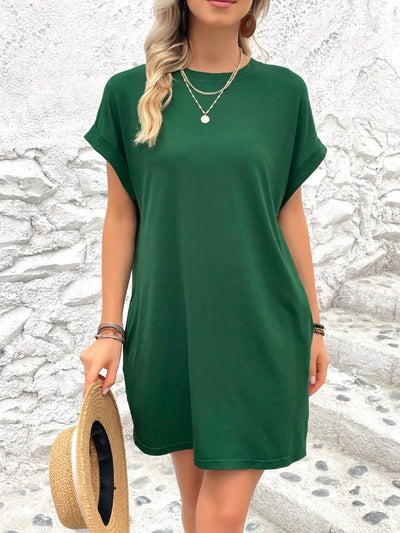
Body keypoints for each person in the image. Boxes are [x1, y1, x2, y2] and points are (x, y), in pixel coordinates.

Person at [79, 0, 330, 531]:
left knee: (221, 515)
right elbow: (121, 218)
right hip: (173, 330)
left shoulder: (284, 93)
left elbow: (289, 214)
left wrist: (313, 324)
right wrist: (110, 328)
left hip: (261, 328)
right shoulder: (128, 93)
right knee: (195, 507)